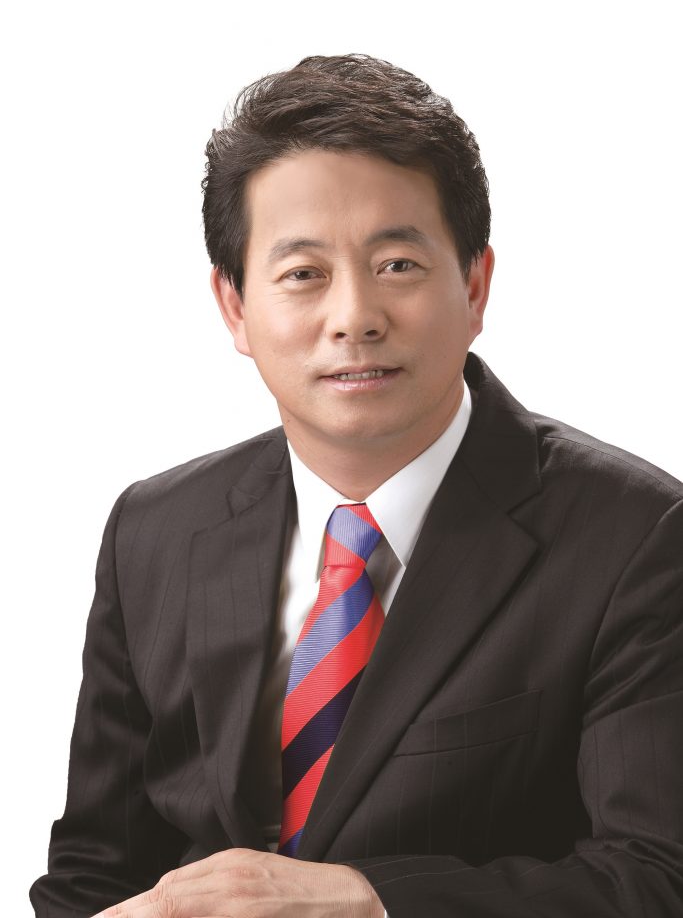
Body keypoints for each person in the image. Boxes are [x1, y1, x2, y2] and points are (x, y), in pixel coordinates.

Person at [31, 54, 683, 918]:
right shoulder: (154, 530)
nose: (354, 318)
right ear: (235, 307)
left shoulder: (635, 537)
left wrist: (366, 900)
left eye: (397, 265)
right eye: (303, 274)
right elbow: (93, 872)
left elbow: (655, 878)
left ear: (474, 285)